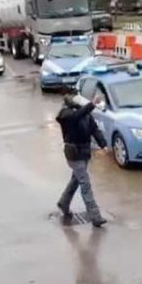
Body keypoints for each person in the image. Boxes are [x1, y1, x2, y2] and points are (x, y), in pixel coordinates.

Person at [55, 94, 108, 228]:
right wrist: (92, 104)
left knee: (76, 180)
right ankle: (95, 216)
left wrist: (103, 144)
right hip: (73, 154)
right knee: (85, 183)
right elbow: (76, 116)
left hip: (84, 153)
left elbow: (95, 130)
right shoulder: (66, 114)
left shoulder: (86, 115)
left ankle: (63, 202)